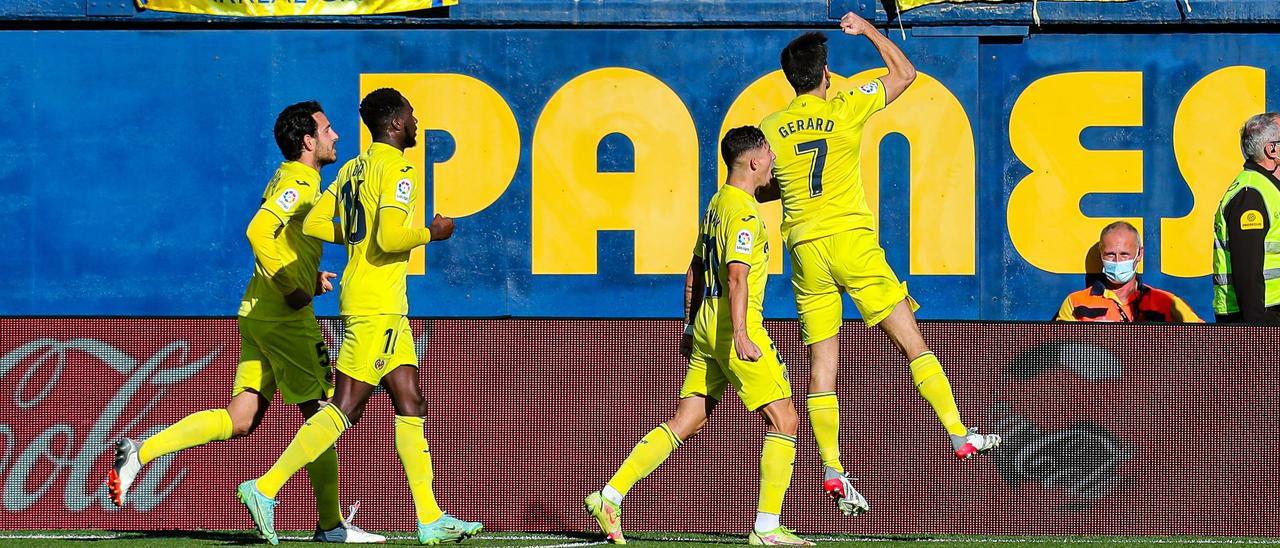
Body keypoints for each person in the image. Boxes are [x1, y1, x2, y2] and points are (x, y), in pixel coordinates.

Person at [108, 101, 382, 543]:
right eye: (328, 130)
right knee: (323, 415)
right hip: (284, 318)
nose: (336, 137)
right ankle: (330, 526)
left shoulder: (287, 177)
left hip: (255, 313)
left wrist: (306, 276)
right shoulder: (301, 178)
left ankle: (141, 452)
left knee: (240, 419)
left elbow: (281, 237)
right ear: (308, 141)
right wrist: (293, 290)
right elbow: (258, 231)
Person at [759, 14, 1000, 516]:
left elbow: (765, 187)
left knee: (821, 365)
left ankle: (831, 466)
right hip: (851, 240)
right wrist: (869, 31)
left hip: (803, 248)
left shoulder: (771, 127)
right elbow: (905, 75)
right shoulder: (846, 104)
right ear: (826, 73)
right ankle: (958, 433)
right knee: (912, 343)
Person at [236, 88, 482, 546]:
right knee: (344, 408)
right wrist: (433, 231)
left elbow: (312, 224)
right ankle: (265, 488)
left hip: (379, 302)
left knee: (411, 400)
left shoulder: (352, 169)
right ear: (394, 124)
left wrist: (354, 233)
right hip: (377, 304)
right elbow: (390, 238)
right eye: (411, 114)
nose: (416, 121)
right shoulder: (399, 169)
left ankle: (429, 518)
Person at [584, 127, 811, 546]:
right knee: (787, 419)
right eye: (769, 153)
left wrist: (690, 326)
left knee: (686, 420)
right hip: (732, 326)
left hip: (706, 324)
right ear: (754, 162)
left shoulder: (717, 204)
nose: (774, 160)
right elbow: (737, 276)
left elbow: (694, 270)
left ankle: (609, 495)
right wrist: (741, 335)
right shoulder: (743, 213)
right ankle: (766, 528)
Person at [1056, 221, 1202, 322]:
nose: (1118, 261)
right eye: (1110, 254)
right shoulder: (1075, 303)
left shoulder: (1166, 302)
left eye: (1124, 254)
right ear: (1101, 254)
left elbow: (1206, 340)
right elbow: (1059, 354)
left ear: (1139, 255)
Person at [1213, 112, 1280, 324]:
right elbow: (1248, 274)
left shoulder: (1266, 188)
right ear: (1272, 150)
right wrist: (1256, 335)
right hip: (1258, 318)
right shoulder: (1251, 194)